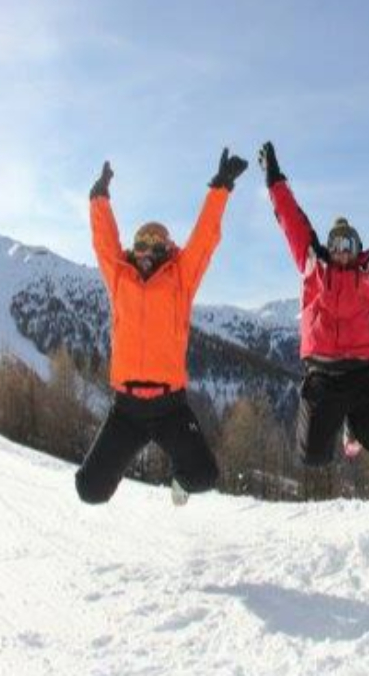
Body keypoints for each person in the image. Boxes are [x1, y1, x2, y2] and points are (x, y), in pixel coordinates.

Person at [75, 149, 248, 506]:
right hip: (126, 409)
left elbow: (204, 239)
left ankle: (180, 482)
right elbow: (104, 242)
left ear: (167, 249)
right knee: (89, 491)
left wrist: (220, 188)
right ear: (134, 249)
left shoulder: (180, 278)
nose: (146, 249)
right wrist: (99, 198)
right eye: (141, 243)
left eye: (155, 243)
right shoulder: (119, 276)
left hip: (170, 407)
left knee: (203, 477)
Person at [258, 141, 369, 468]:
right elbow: (291, 220)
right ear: (328, 246)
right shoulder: (313, 265)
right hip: (322, 373)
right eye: (336, 243)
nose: (342, 249)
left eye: (349, 243)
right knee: (312, 458)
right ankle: (331, 419)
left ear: (357, 246)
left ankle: (353, 426)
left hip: (363, 373)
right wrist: (274, 180)